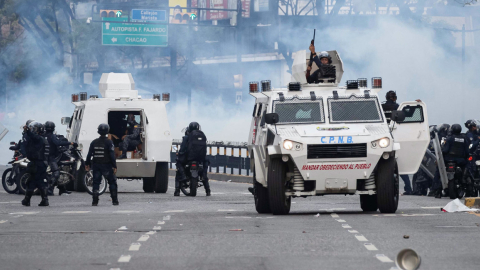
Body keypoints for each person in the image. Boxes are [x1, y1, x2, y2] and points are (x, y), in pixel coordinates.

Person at [85, 124, 119, 206]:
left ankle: (95, 201)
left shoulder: (94, 142)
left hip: (96, 165)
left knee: (96, 183)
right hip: (107, 165)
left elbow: (89, 154)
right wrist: (114, 166)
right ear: (107, 131)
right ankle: (115, 201)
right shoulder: (109, 142)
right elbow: (112, 155)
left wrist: (87, 164)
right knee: (112, 182)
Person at [433, 124, 469, 198]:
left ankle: (438, 191)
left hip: (449, 160)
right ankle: (464, 180)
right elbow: (467, 151)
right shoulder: (464, 138)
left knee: (442, 173)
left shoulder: (450, 139)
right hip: (461, 161)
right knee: (467, 168)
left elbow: (445, 150)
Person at [175, 122, 211, 196]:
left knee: (178, 164)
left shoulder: (186, 137)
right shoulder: (202, 136)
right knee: (204, 171)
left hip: (189, 158)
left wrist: (180, 154)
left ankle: (177, 190)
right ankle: (208, 190)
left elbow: (182, 148)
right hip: (200, 158)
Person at [43, 121, 75, 196]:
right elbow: (58, 143)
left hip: (45, 156)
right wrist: (70, 143)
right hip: (51, 157)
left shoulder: (43, 135)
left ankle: (62, 189)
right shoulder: (52, 136)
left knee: (60, 169)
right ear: (53, 128)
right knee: (56, 172)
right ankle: (50, 189)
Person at [21, 122, 49, 207]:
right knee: (40, 182)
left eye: (34, 128)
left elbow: (33, 136)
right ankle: (44, 200)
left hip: (37, 163)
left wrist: (27, 131)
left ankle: (27, 200)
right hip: (40, 164)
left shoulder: (39, 138)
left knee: (31, 182)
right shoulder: (41, 139)